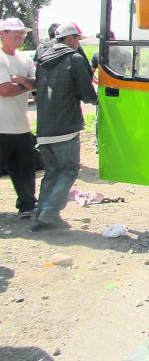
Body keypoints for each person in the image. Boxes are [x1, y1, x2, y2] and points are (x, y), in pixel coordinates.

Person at [31, 21, 97, 231]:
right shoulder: (74, 59)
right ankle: (50, 211)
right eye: (77, 39)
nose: (78, 43)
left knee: (51, 172)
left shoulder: (42, 58)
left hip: (44, 126)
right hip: (66, 126)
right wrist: (101, 101)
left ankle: (40, 216)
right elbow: (86, 94)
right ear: (69, 39)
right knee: (68, 170)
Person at [0, 18, 37, 218]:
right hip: (1, 126)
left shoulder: (25, 59)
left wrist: (20, 82)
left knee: (25, 169)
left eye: (22, 33)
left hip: (21, 126)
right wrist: (27, 84)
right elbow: (4, 90)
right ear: (2, 34)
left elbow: (38, 83)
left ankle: (27, 206)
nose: (20, 36)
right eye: (15, 32)